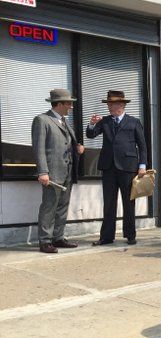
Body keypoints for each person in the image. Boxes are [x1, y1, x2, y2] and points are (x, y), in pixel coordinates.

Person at [86, 90, 147, 246]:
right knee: (109, 202)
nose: (109, 106)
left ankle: (130, 234)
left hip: (128, 167)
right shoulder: (105, 121)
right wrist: (92, 123)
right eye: (108, 104)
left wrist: (142, 165)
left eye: (112, 104)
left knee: (129, 202)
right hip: (108, 167)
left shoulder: (133, 122)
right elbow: (91, 135)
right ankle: (106, 236)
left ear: (121, 104)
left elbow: (142, 145)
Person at [31, 89, 85, 253]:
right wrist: (42, 171)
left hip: (67, 171)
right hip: (52, 172)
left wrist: (77, 149)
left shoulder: (65, 122)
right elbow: (38, 148)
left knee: (63, 205)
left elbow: (64, 144)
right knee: (49, 206)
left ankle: (58, 237)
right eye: (68, 103)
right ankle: (45, 241)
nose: (71, 107)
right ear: (59, 103)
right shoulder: (42, 120)